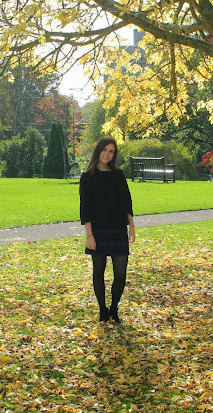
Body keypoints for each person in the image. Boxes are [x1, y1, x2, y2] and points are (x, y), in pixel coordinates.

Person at [79, 136, 136, 323]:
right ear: (98, 151)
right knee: (99, 272)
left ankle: (114, 308)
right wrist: (89, 235)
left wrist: (132, 228)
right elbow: (85, 208)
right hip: (98, 231)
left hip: (118, 229)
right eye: (104, 150)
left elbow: (127, 201)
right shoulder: (88, 176)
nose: (107, 154)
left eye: (111, 151)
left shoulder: (118, 174)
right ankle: (102, 310)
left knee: (120, 273)